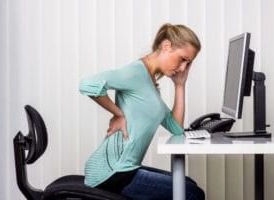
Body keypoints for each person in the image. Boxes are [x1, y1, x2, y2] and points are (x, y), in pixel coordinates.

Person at [79, 23, 205, 200]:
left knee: (187, 183)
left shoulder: (150, 82)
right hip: (113, 173)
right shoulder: (136, 73)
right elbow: (87, 85)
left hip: (124, 169)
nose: (183, 68)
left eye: (188, 63)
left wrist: (180, 85)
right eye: (183, 59)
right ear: (167, 46)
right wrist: (118, 114)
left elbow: (176, 128)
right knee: (192, 194)